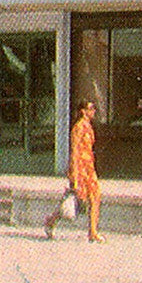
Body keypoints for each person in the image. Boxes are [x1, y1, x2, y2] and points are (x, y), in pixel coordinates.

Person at [44, 100, 103, 242]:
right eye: (91, 108)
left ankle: (93, 232)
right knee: (77, 199)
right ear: (83, 111)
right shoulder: (78, 128)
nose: (94, 111)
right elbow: (75, 151)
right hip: (80, 168)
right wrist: (74, 174)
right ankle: (51, 221)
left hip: (89, 167)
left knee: (95, 196)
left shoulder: (89, 126)